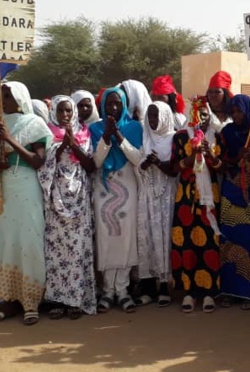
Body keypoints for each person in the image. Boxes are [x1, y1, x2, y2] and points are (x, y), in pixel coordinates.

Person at [0, 82, 52, 325]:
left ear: (21, 98)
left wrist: (10, 140)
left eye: (7, 96)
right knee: (7, 242)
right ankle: (8, 300)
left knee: (29, 241)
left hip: (27, 187)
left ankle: (31, 301)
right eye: (0, 96)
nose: (2, 100)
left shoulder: (34, 124)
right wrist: (0, 161)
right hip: (5, 189)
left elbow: (37, 161)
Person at [39, 95, 97, 318]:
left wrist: (73, 145)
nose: (65, 115)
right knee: (56, 250)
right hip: (55, 197)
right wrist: (60, 146)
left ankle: (76, 299)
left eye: (68, 111)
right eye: (61, 111)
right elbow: (42, 168)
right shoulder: (46, 133)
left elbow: (91, 165)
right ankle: (58, 299)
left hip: (79, 197)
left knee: (78, 249)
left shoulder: (84, 133)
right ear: (54, 111)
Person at [90, 87, 143, 313]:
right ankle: (107, 291)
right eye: (109, 104)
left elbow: (137, 159)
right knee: (106, 238)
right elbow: (97, 162)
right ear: (102, 106)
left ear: (123, 105)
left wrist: (119, 136)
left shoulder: (133, 127)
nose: (113, 108)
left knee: (125, 237)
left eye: (117, 104)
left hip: (127, 188)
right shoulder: (95, 128)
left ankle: (122, 289)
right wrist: (105, 136)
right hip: (104, 188)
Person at [171, 97, 222, 313]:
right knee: (186, 242)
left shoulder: (216, 137)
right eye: (198, 113)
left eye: (205, 113)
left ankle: (209, 291)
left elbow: (221, 168)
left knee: (210, 241)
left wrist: (211, 156)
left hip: (209, 196)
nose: (201, 118)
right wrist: (189, 160)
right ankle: (189, 292)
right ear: (192, 115)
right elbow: (174, 166)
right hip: (186, 196)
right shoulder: (181, 137)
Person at [217, 94, 250, 310]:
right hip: (230, 191)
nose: (236, 115)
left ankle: (249, 292)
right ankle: (228, 290)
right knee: (228, 239)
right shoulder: (226, 133)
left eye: (239, 111)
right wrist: (238, 156)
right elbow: (221, 162)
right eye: (232, 112)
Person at [136, 102, 178, 307]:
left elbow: (175, 170)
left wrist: (158, 163)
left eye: (156, 116)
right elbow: (139, 168)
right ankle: (148, 286)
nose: (152, 120)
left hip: (167, 194)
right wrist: (145, 163)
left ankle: (165, 286)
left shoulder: (174, 138)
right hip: (148, 195)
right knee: (148, 237)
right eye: (150, 116)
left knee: (165, 237)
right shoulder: (145, 137)